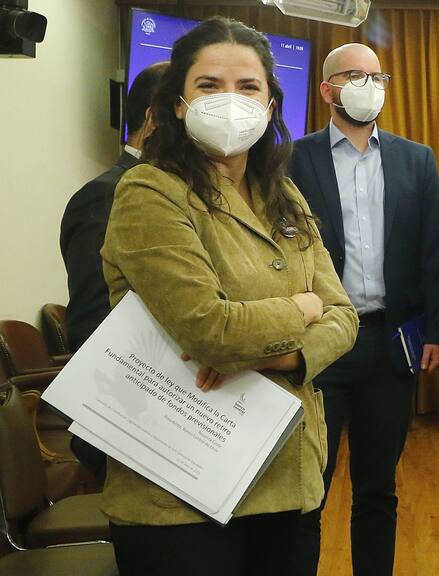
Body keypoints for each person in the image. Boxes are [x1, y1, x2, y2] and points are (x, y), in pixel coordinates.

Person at [99, 17, 358, 576]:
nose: (230, 101)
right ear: (177, 103)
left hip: (287, 475)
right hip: (180, 490)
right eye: (209, 86)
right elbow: (212, 331)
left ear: (270, 107)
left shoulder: (281, 191)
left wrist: (280, 352)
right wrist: (300, 308)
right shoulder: (151, 190)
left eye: (248, 87)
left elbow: (343, 316)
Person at [288, 43, 439, 576]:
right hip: (319, 343)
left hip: (391, 341)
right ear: (327, 89)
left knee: (378, 487)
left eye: (377, 75)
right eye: (354, 75)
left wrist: (438, 331)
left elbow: (433, 250)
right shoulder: (293, 159)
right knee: (309, 484)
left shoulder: (415, 158)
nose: (367, 85)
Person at [59, 60, 168, 480]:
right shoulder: (106, 197)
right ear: (153, 118)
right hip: (136, 424)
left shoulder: (180, 194)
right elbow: (93, 325)